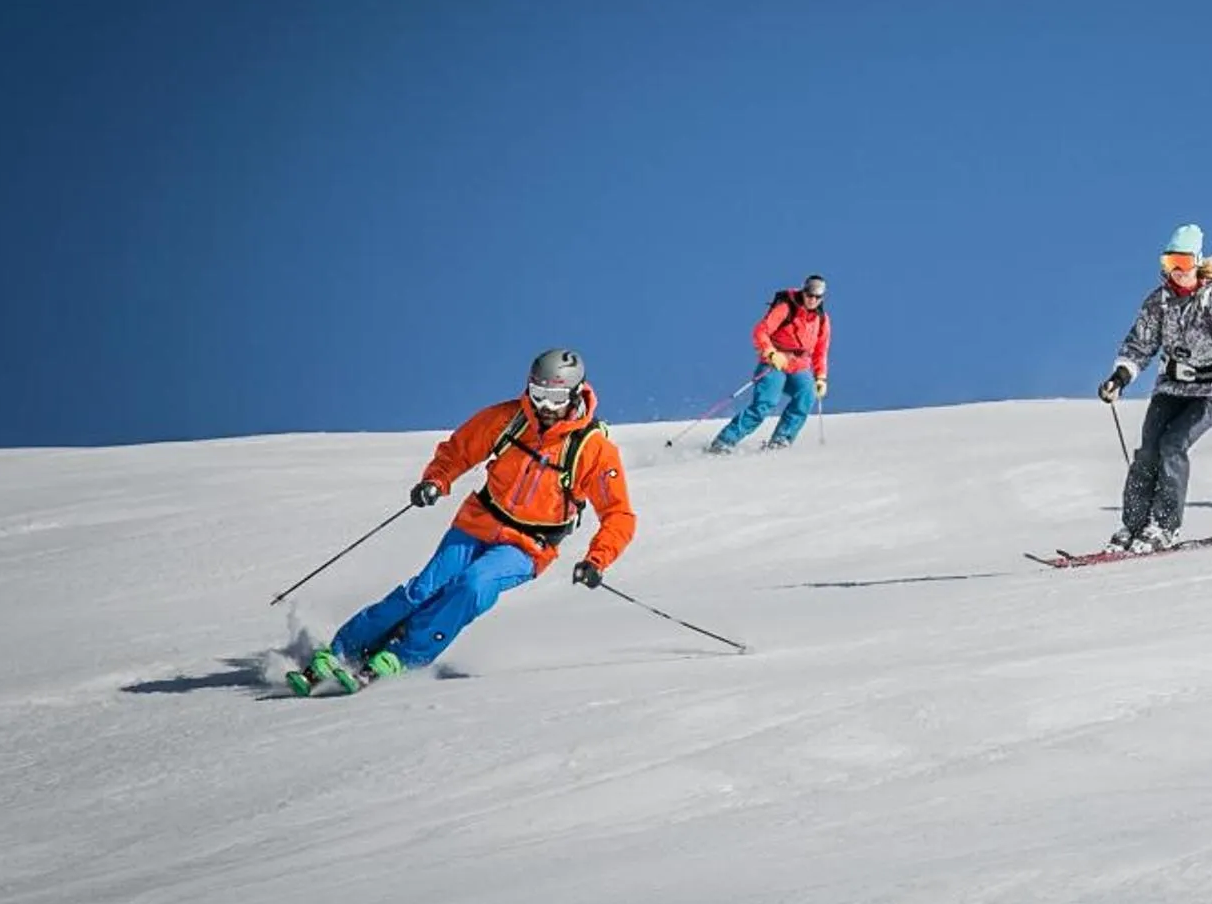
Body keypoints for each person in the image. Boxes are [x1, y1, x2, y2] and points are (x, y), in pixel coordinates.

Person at [293, 348, 637, 693]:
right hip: (478, 521)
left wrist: (597, 559)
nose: (545, 408)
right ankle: (341, 650)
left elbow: (618, 514)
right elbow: (459, 450)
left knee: (472, 586)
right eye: (539, 395)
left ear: (576, 393)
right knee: (422, 589)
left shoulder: (592, 449)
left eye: (555, 397)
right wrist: (437, 480)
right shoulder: (509, 419)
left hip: (530, 545)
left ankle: (401, 654)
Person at [1098, 224, 1212, 552]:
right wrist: (1119, 377)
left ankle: (1164, 526)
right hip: (1172, 386)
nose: (1177, 271)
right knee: (1148, 451)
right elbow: (1139, 344)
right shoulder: (1158, 302)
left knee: (1173, 445)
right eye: (1170, 262)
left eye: (1184, 262)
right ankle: (1131, 526)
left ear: (1198, 262)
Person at [710, 275, 831, 453]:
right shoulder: (786, 307)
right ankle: (724, 441)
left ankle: (781, 439)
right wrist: (771, 352)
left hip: (799, 366)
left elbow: (821, 350)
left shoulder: (822, 319)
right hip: (775, 363)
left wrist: (820, 377)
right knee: (765, 404)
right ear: (803, 292)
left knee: (807, 395)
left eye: (817, 297)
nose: (812, 299)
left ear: (822, 298)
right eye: (809, 294)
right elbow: (761, 330)